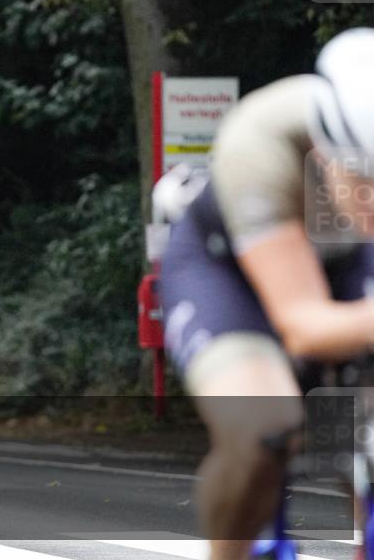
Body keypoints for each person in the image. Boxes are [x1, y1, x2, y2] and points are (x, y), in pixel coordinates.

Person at [158, 27, 374, 560]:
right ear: (326, 155)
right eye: (365, 183)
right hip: (226, 274)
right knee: (263, 430)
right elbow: (302, 325)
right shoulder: (258, 141)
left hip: (345, 265)